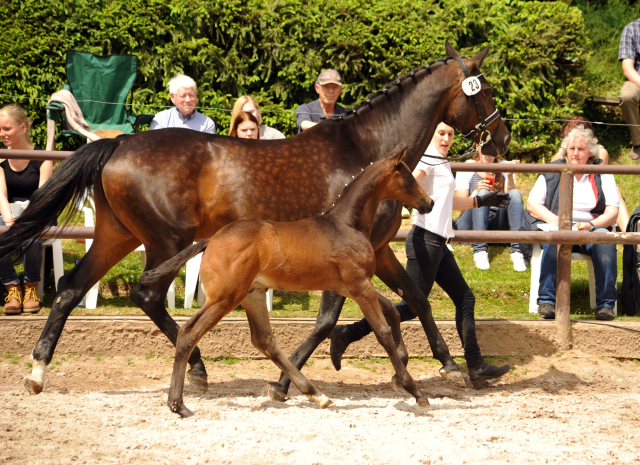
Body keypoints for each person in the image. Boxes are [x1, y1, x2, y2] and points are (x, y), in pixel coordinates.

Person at [330, 122, 511, 387]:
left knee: (465, 299)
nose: (447, 139)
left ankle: (476, 366)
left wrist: (480, 201)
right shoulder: (428, 159)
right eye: (441, 133)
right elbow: (406, 183)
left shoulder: (441, 160)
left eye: (450, 134)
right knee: (413, 307)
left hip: (439, 243)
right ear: (432, 134)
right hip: (425, 241)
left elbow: (446, 201)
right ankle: (347, 333)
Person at [528, 125, 619, 321]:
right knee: (555, 239)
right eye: (572, 149)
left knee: (605, 242)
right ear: (565, 151)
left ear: (591, 153)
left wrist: (592, 226)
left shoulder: (603, 173)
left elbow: (613, 212)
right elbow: (532, 204)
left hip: (592, 228)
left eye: (581, 149)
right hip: (559, 226)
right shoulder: (553, 171)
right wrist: (557, 221)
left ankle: (606, 305)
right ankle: (546, 302)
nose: (576, 153)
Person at [0, 104, 53, 315]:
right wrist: (10, 223)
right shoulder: (1, 158)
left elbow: (42, 197)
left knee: (32, 236)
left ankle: (31, 287)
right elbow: (1, 196)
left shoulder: (43, 157)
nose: (2, 134)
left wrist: (23, 222)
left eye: (6, 129)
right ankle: (12, 287)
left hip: (38, 212)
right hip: (9, 214)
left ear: (23, 128)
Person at [551, 116, 630, 232]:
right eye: (567, 138)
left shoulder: (600, 151)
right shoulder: (567, 150)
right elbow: (550, 171)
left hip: (594, 196)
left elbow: (598, 179)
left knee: (615, 192)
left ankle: (630, 235)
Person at [454, 145, 525, 271]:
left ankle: (517, 251)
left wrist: (509, 176)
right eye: (485, 148)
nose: (488, 153)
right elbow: (462, 209)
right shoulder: (467, 167)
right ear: (478, 147)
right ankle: (480, 250)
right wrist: (477, 191)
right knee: (482, 194)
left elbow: (511, 200)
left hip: (497, 220)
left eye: (492, 148)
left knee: (515, 193)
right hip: (471, 222)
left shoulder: (504, 165)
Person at [150, 74, 216, 134]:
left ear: (196, 95)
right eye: (183, 96)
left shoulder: (207, 124)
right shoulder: (160, 120)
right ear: (172, 97)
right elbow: (154, 145)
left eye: (191, 95)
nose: (188, 100)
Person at [619, 19, 640, 161]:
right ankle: (638, 142)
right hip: (638, 78)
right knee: (627, 95)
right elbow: (627, 68)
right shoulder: (631, 29)